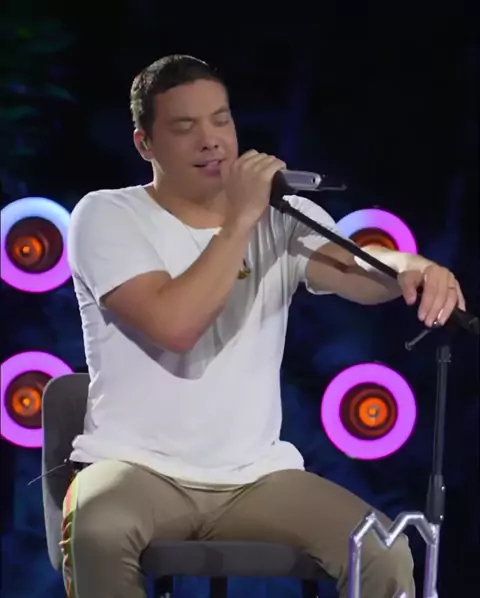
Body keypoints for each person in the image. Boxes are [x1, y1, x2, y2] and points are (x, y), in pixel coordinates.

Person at [63, 54, 466, 598]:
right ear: (145, 144)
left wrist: (413, 268)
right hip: (136, 469)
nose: (211, 140)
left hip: (255, 477)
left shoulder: (281, 215)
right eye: (185, 127)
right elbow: (176, 325)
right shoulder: (106, 216)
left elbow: (357, 268)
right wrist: (240, 220)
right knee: (100, 529)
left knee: (384, 551)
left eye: (221, 119)